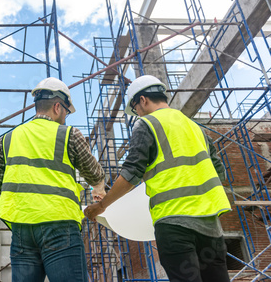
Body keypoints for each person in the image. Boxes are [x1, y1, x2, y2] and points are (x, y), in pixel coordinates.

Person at [84, 75, 231, 282]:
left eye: (135, 108)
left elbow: (130, 173)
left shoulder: (147, 124)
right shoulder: (194, 127)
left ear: (142, 100)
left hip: (175, 224)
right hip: (211, 226)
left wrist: (102, 206)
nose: (137, 113)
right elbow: (219, 172)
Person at [0, 77, 106, 282]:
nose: (66, 118)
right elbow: (94, 173)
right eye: (67, 112)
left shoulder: (9, 138)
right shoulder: (69, 134)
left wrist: (22, 195)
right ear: (58, 107)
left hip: (22, 227)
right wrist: (99, 188)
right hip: (60, 224)